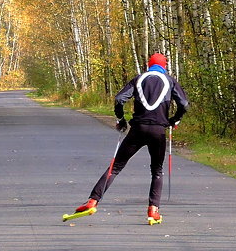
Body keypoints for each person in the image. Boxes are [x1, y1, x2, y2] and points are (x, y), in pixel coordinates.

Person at [74, 52, 190, 224]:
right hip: (158, 131)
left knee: (116, 167)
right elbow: (184, 104)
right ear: (164, 66)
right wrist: (174, 120)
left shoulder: (139, 79)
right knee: (157, 170)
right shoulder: (170, 81)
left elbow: (119, 99)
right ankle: (153, 210)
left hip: (138, 129)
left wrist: (120, 120)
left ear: (149, 65)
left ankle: (93, 201)